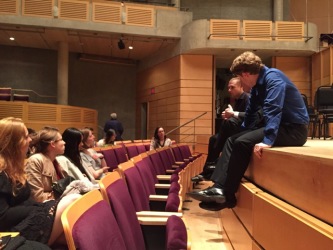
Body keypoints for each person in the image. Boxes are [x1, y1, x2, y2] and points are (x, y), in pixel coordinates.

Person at [188, 51, 309, 211]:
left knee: (242, 142)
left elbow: (274, 109)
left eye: (239, 77)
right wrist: (243, 130)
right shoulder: (259, 85)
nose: (241, 83)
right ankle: (218, 187)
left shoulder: (274, 78)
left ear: (245, 74)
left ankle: (227, 195)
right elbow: (251, 113)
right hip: (281, 127)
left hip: (294, 130)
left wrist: (268, 140)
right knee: (234, 139)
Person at [0, 117, 81, 247]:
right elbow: (3, 216)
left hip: (28, 218)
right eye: (26, 137)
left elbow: (27, 200)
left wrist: (42, 207)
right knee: (72, 200)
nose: (30, 140)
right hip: (14, 231)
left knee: (73, 236)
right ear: (14, 143)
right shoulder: (1, 172)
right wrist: (39, 208)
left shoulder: (15, 168)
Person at [191, 77, 250, 182]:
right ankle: (207, 169)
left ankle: (212, 165)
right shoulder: (238, 100)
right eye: (228, 88)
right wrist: (229, 115)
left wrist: (232, 115)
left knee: (227, 124)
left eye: (232, 87)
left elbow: (250, 116)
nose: (229, 90)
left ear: (241, 87)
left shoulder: (247, 98)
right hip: (237, 128)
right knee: (213, 139)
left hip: (245, 131)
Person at [25, 126, 67, 202]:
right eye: (61, 140)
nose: (64, 142)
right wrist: (64, 195)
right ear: (52, 144)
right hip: (45, 207)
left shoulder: (56, 161)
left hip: (59, 202)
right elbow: (37, 197)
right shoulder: (35, 160)